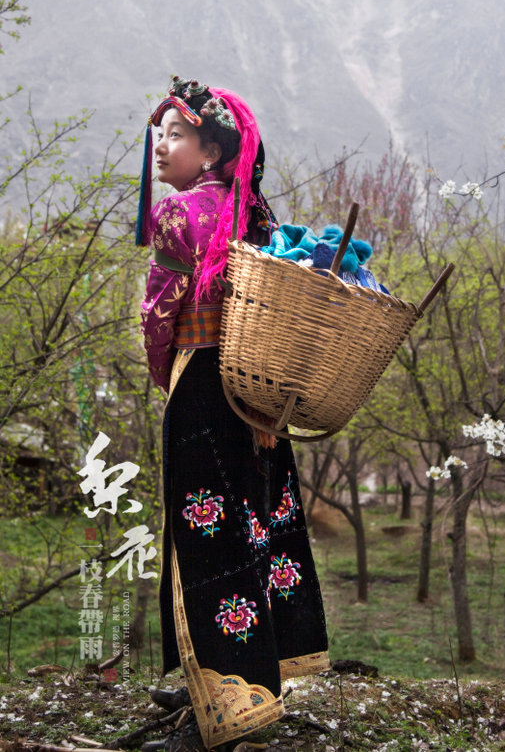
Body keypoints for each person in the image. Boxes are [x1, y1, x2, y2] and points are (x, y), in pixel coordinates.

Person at [136, 77, 329, 751]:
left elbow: (158, 316)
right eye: (160, 133)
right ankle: (257, 681)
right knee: (256, 527)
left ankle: (222, 702)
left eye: (177, 134)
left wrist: (168, 375)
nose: (162, 146)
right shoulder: (260, 215)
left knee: (203, 544)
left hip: (201, 388)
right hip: (259, 393)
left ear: (213, 149)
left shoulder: (178, 214)